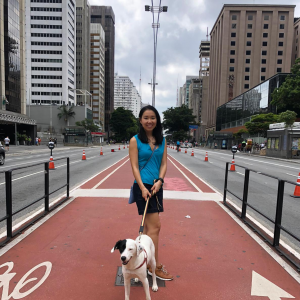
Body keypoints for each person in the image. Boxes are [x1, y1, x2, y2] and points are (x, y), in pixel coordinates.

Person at [129, 105, 173, 281]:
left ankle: (142, 262)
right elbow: (134, 166)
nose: (149, 121)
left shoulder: (162, 140)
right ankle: (154, 266)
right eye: (146, 118)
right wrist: (142, 187)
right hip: (143, 187)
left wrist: (161, 181)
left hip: (156, 186)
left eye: (153, 117)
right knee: (155, 227)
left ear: (157, 120)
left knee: (148, 228)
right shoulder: (135, 140)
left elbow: (164, 163)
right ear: (140, 120)